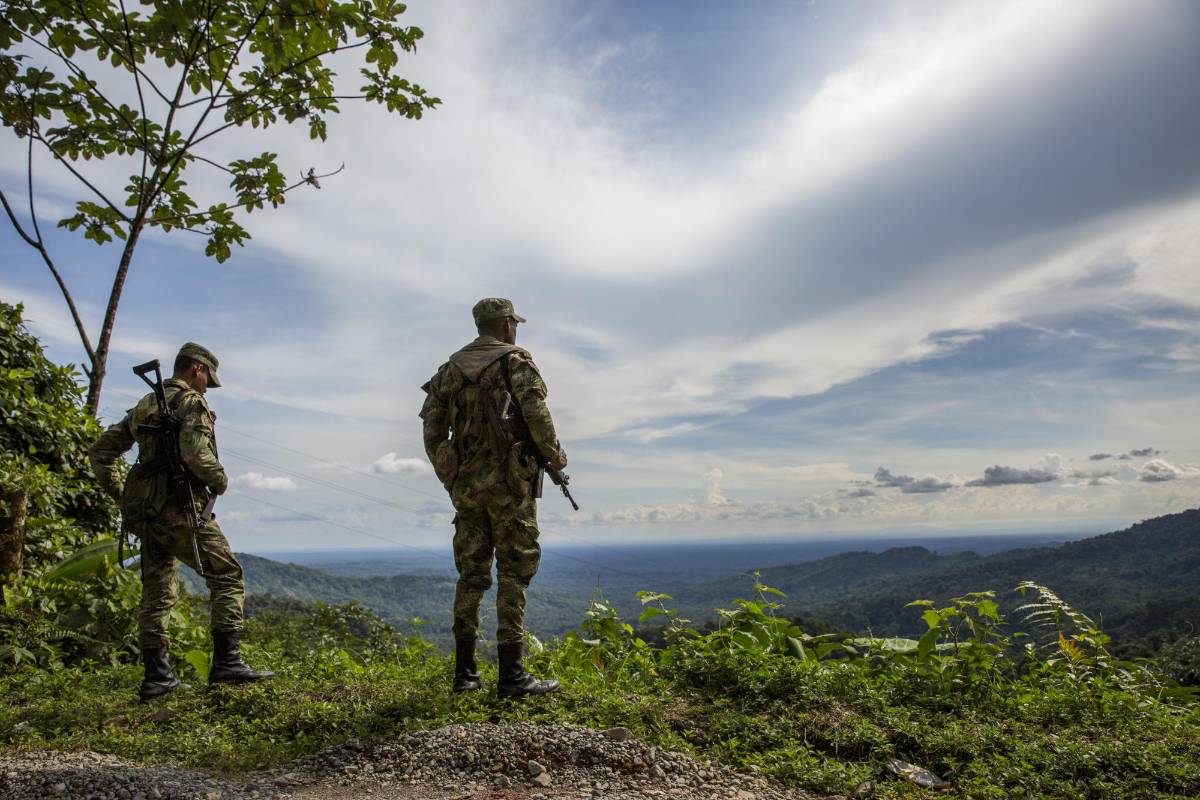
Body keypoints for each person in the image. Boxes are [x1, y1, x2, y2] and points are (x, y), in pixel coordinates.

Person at [89, 343, 273, 701]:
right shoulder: (191, 402)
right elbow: (195, 454)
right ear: (197, 370)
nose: (207, 388)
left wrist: (122, 495)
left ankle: (157, 678)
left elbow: (101, 451)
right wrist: (220, 479)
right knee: (227, 575)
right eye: (207, 380)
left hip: (146, 514)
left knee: (157, 592)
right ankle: (228, 664)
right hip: (182, 510)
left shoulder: (144, 405)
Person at [420, 298, 568, 697]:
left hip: (467, 488)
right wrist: (554, 456)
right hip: (510, 485)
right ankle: (512, 676)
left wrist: (451, 474)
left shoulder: (448, 371)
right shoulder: (514, 362)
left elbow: (432, 431)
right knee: (514, 572)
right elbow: (537, 416)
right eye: (513, 323)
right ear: (505, 324)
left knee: (471, 575)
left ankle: (465, 675)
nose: (515, 329)